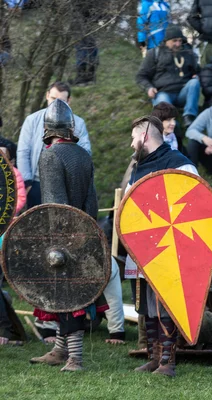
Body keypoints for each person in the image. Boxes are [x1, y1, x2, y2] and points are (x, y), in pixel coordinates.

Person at [29, 99, 101, 372]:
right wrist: (86, 233)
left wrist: (56, 239)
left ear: (48, 129)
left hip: (61, 236)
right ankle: (60, 350)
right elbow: (91, 202)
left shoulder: (50, 155)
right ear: (70, 128)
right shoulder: (83, 155)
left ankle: (75, 358)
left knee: (66, 295)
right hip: (83, 232)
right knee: (71, 293)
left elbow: (54, 205)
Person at [124, 115, 198, 377]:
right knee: (148, 301)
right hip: (144, 244)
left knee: (167, 300)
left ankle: (168, 360)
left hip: (171, 246)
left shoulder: (180, 165)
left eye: (134, 137)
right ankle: (154, 357)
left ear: (144, 136)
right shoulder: (139, 168)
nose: (132, 143)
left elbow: (196, 206)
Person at [17, 81, 91, 210]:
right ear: (47, 95)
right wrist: (27, 182)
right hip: (36, 183)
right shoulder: (32, 120)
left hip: (69, 184)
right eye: (53, 98)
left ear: (69, 100)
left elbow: (85, 152)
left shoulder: (78, 123)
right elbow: (23, 151)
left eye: (62, 100)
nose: (56, 104)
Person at [135, 26, 200, 128]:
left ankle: (189, 117)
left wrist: (198, 76)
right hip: (163, 92)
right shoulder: (154, 53)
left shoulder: (188, 53)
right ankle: (174, 128)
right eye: (174, 41)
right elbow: (141, 76)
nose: (178, 44)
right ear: (166, 40)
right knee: (164, 105)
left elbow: (198, 70)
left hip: (182, 92)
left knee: (194, 83)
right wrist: (149, 88)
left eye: (180, 41)